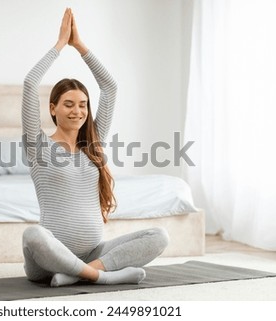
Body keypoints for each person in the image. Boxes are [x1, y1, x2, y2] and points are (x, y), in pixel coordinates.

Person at [21, 8, 169, 287]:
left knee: (160, 236)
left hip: (92, 252)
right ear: (52, 109)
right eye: (68, 104)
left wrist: (81, 47)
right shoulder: (37, 145)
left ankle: (79, 273)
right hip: (46, 261)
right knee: (32, 235)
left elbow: (110, 88)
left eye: (82, 104)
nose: (77, 111)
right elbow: (30, 84)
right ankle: (102, 277)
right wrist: (60, 45)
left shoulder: (94, 142)